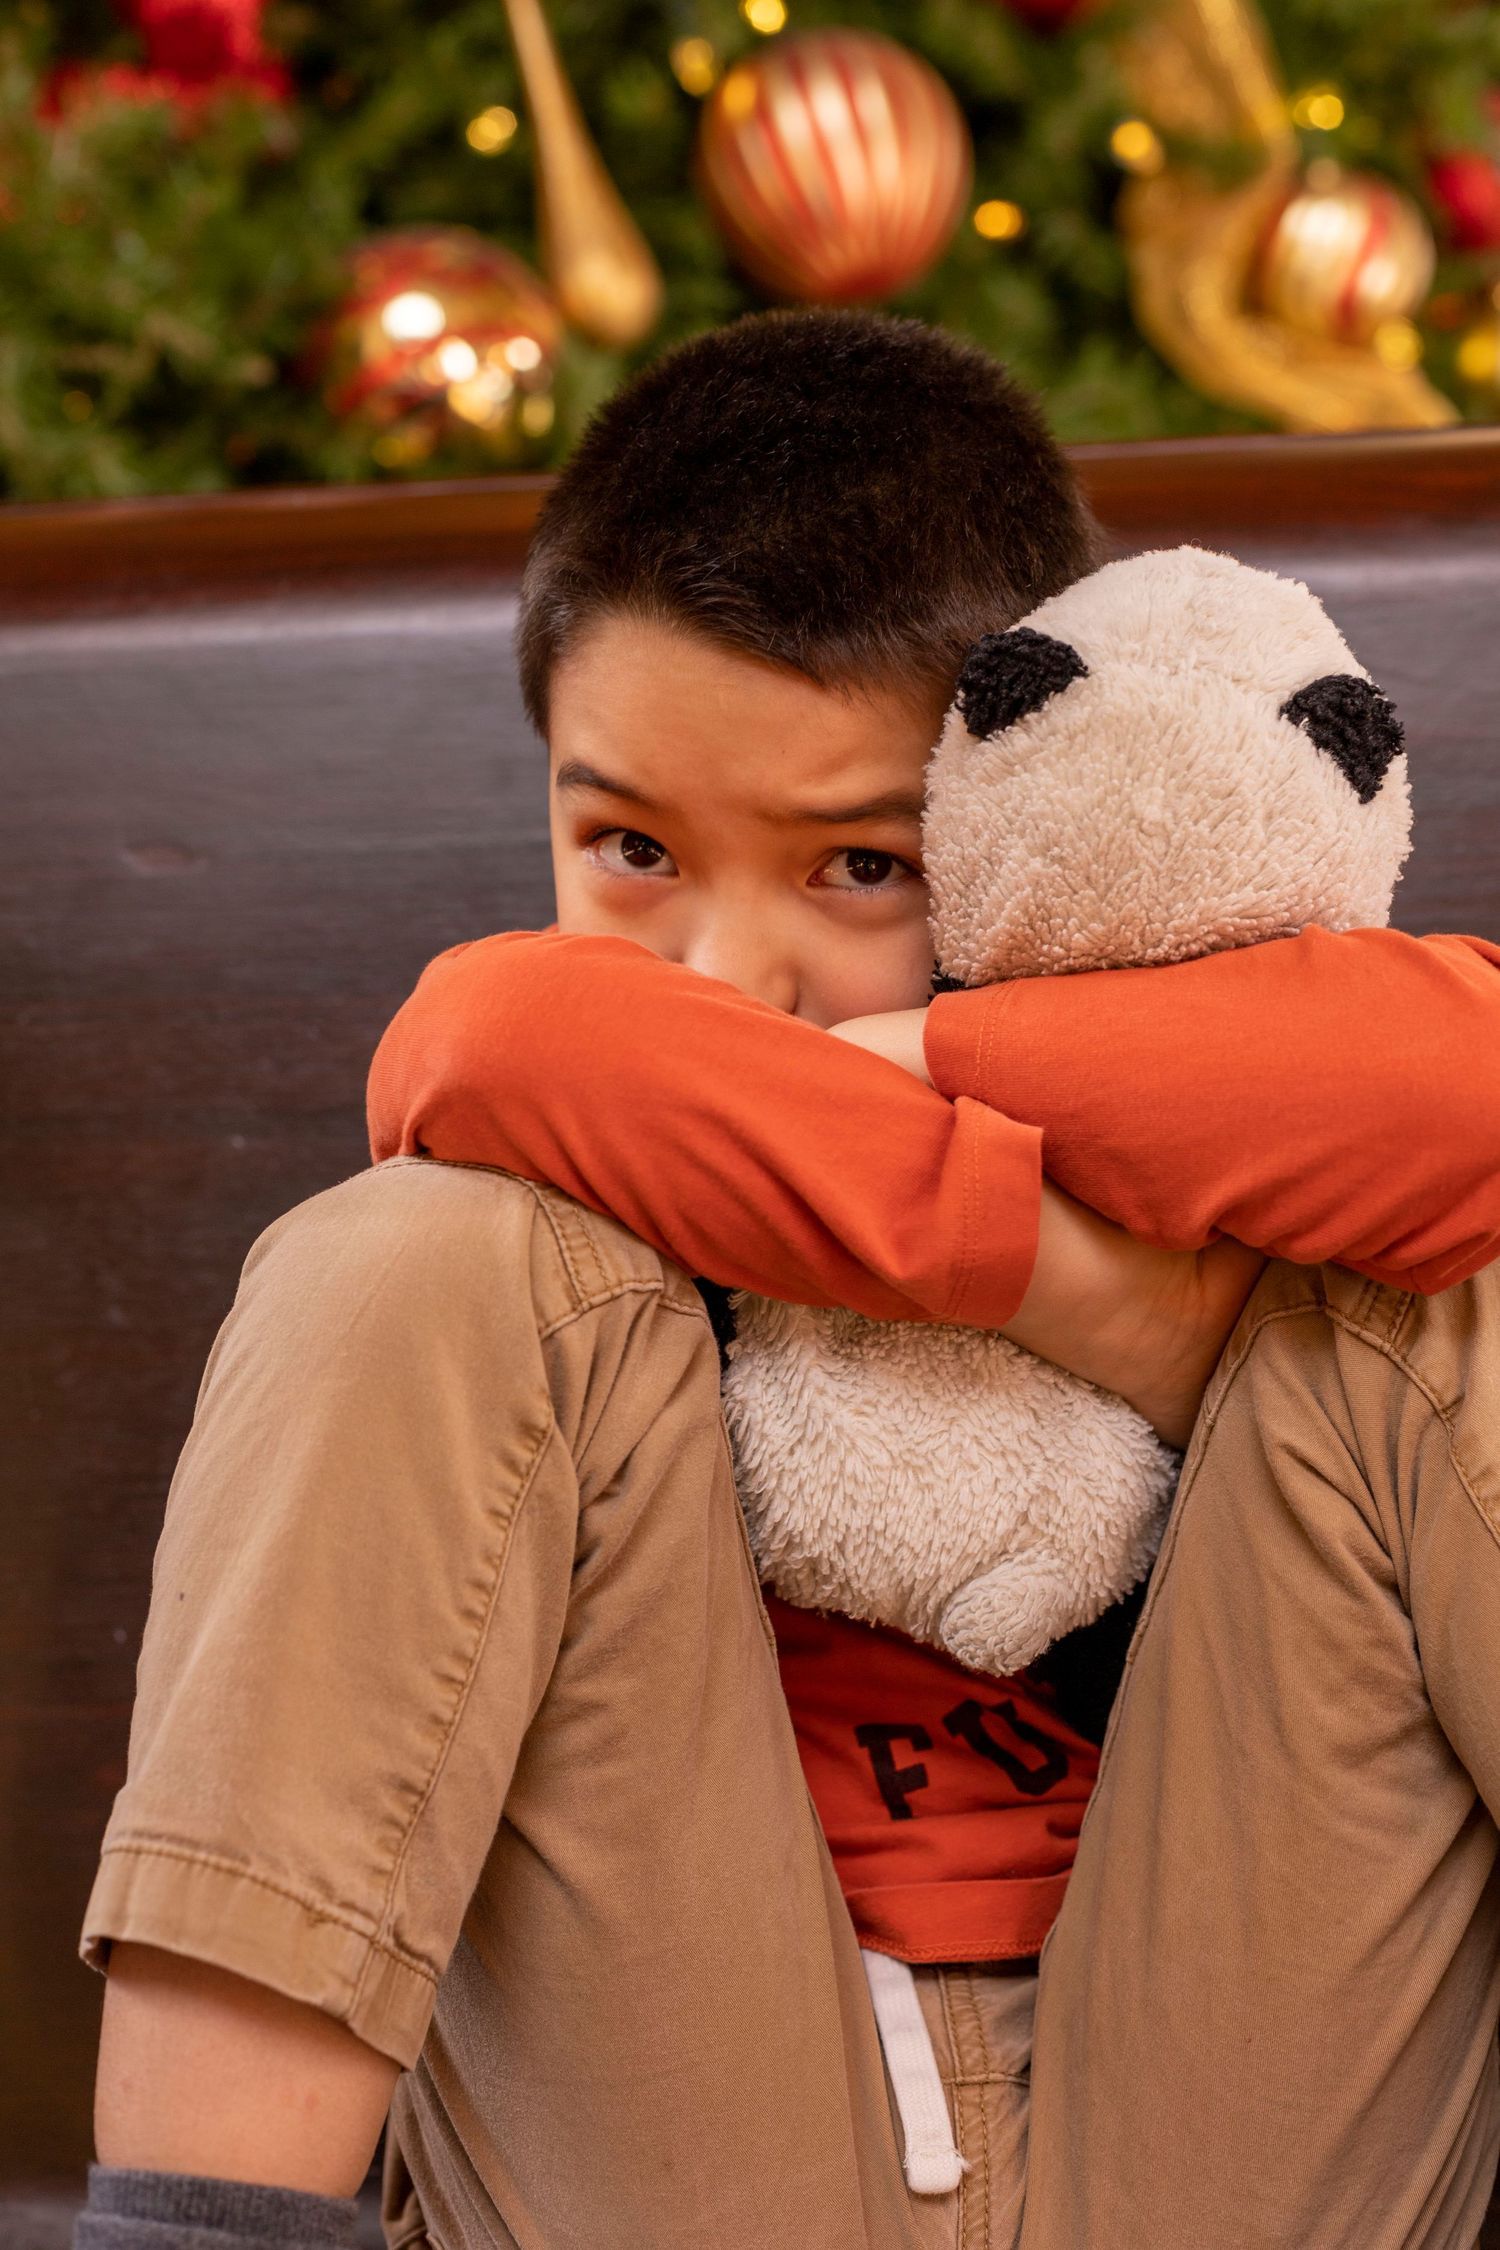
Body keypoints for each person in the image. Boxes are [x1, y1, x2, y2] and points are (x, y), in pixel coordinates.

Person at [78, 312, 1500, 2250]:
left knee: (1443, 1295)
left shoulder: (1207, 1047)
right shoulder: (569, 1122)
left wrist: (974, 1103)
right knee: (418, 1249)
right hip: (685, 2134)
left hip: (1227, 2114)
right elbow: (482, 1043)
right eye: (631, 847)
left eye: (855, 868)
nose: (722, 982)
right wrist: (1071, 1284)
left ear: (1023, 790)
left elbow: (1463, 1094)